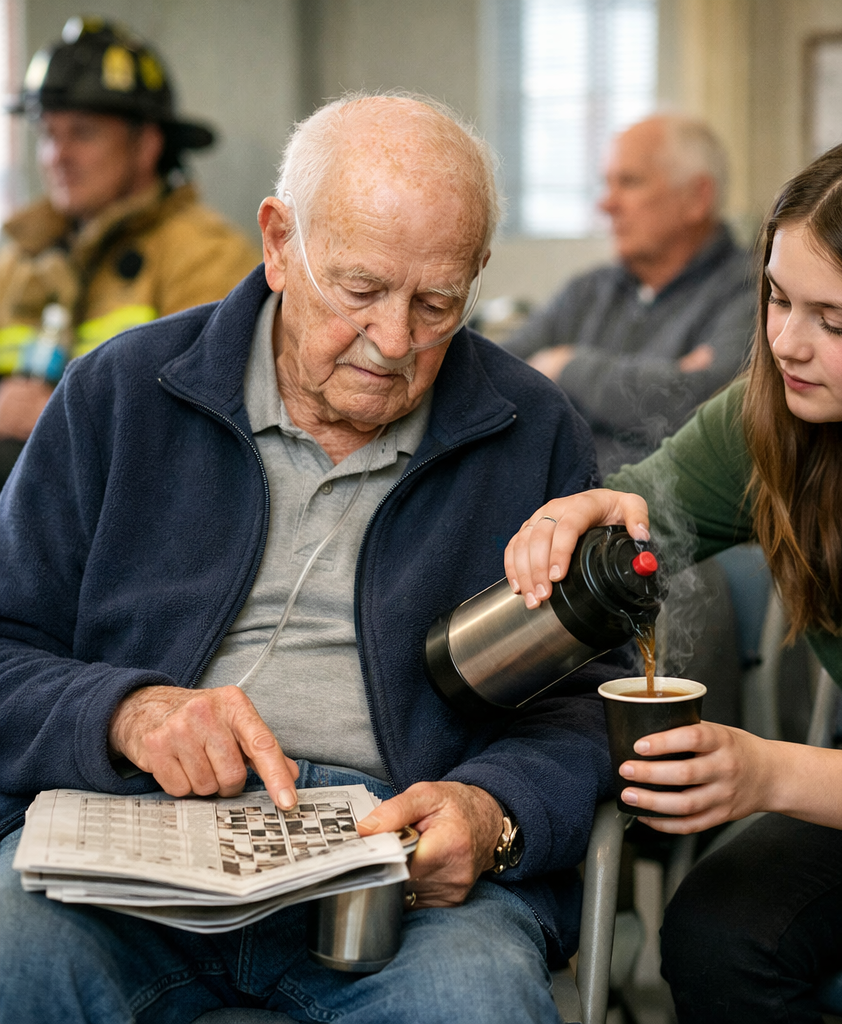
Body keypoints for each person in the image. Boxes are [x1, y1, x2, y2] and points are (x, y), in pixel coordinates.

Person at [0, 95, 624, 1023]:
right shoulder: (120, 395)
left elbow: (589, 709)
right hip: (134, 839)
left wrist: (491, 811)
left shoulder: (530, 431)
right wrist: (127, 712)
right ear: (278, 242)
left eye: (438, 303)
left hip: (400, 876)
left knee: (475, 1003)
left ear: (478, 276)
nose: (395, 341)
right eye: (361, 289)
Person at [505, 124, 842, 1023]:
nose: (786, 343)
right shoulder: (778, 424)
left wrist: (765, 774)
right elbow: (641, 512)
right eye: (776, 299)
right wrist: (579, 513)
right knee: (714, 928)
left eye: (836, 321)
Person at [0, 16, 260, 487]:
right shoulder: (16, 262)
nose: (57, 156)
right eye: (48, 134)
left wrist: (58, 417)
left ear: (146, 146)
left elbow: (201, 434)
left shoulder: (207, 257)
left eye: (82, 132)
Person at [503, 114, 755, 475]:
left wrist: (563, 366)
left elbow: (707, 408)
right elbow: (495, 374)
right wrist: (663, 377)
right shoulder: (588, 291)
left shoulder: (752, 292)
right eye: (606, 184)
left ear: (697, 197)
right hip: (545, 503)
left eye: (630, 182)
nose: (606, 204)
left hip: (657, 523)